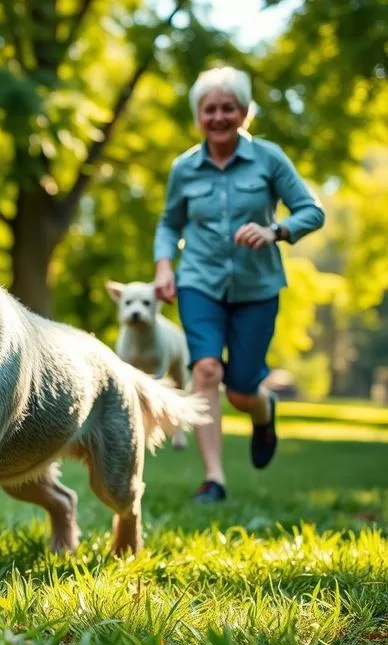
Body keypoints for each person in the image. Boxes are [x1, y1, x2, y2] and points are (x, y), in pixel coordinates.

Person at [152, 66, 325, 503]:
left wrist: (276, 232)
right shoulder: (184, 168)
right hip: (199, 283)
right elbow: (169, 223)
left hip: (258, 286)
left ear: (245, 112)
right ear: (199, 116)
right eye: (209, 109)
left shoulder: (268, 158)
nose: (218, 117)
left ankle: (263, 411)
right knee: (206, 370)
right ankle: (214, 480)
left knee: (243, 388)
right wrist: (164, 266)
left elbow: (312, 210)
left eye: (228, 108)